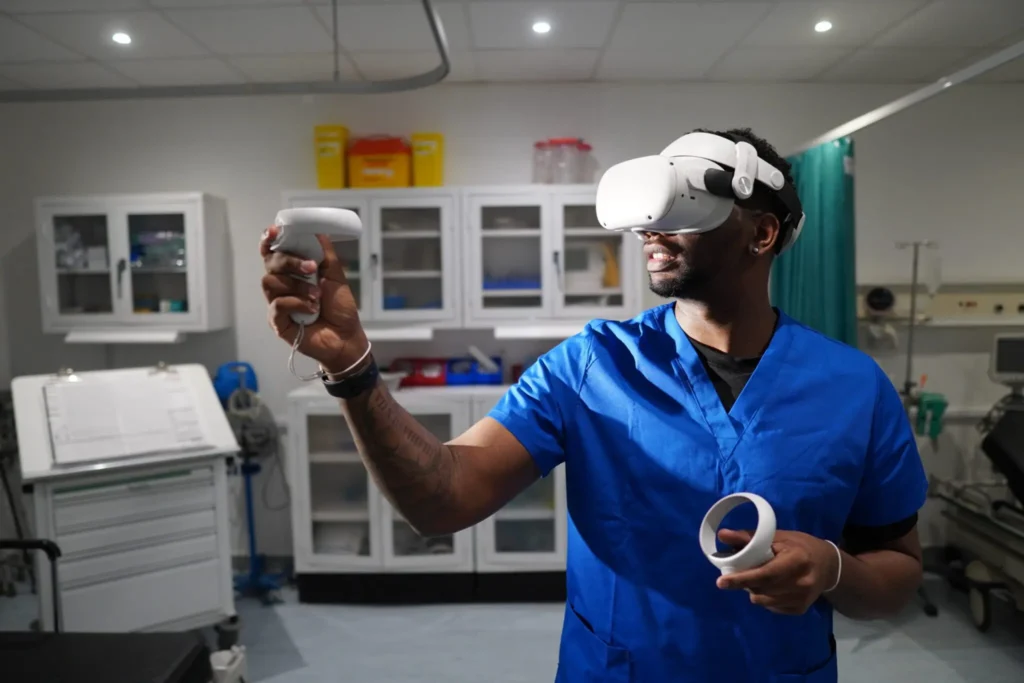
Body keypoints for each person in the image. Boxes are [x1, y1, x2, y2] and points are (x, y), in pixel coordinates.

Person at [261, 127, 927, 683]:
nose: (652, 231)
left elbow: (898, 568)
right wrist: (351, 364)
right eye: (649, 216)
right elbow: (443, 498)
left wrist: (835, 568)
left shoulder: (852, 387)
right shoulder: (591, 365)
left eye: (683, 209)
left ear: (760, 233)